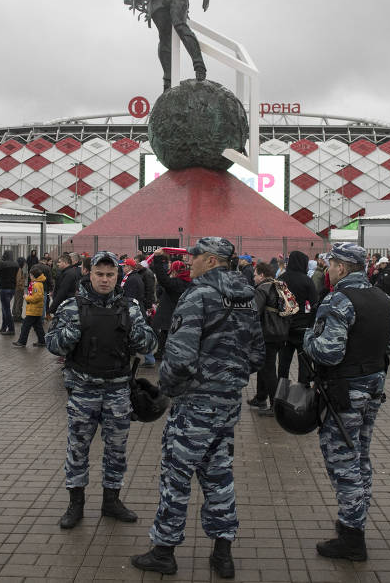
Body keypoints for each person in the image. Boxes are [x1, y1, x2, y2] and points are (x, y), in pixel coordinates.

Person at [132, 237, 264, 579]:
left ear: (209, 259)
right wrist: (228, 378)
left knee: (176, 478)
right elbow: (257, 355)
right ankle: (223, 554)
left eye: (194, 256)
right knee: (219, 476)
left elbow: (180, 358)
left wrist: (168, 392)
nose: (189, 261)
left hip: (194, 406)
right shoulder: (248, 297)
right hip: (228, 404)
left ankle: (164, 551)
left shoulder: (198, 295)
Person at [46, 251, 156, 530]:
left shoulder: (129, 307)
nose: (105, 280)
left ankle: (111, 501)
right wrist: (71, 333)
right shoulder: (71, 306)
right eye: (100, 274)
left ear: (117, 276)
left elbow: (150, 345)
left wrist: (135, 333)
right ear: (90, 274)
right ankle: (76, 503)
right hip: (83, 390)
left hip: (118, 390)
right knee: (78, 448)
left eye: (110, 275)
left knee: (116, 449)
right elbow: (53, 345)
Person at [301, 243, 390, 560]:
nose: (327, 269)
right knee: (360, 458)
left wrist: (307, 339)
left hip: (345, 391)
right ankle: (352, 521)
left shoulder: (339, 299)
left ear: (342, 268)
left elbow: (329, 351)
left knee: (343, 460)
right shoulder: (384, 299)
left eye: (331, 265)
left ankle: (352, 537)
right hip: (373, 387)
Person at [270, 250, 318, 390]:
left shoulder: (282, 279)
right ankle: (302, 397)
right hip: (303, 328)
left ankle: (281, 396)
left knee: (283, 364)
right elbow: (315, 304)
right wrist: (310, 321)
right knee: (304, 364)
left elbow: (275, 303)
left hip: (285, 328)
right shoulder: (307, 280)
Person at [251, 261, 286, 415]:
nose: (253, 278)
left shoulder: (262, 288)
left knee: (269, 370)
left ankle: (275, 405)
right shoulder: (280, 285)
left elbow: (254, 311)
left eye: (255, 275)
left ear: (262, 275)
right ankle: (260, 397)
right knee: (264, 366)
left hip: (267, 334)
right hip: (281, 332)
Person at [149, 250, 192, 363]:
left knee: (165, 335)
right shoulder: (190, 282)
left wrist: (158, 259)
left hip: (169, 314)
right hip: (180, 315)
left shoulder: (177, 283)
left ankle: (162, 353)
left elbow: (163, 279)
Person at [13, 266, 47, 347]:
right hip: (35, 309)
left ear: (34, 276)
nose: (29, 276)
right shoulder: (37, 283)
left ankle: (22, 341)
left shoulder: (37, 285)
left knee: (25, 326)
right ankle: (42, 341)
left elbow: (37, 297)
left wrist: (27, 297)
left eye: (31, 275)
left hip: (34, 309)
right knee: (38, 326)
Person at [0, 251, 18, 335]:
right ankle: (4, 327)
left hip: (4, 288)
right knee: (4, 308)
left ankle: (11, 329)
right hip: (12, 288)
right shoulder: (15, 264)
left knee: (6, 309)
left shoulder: (3, 263)